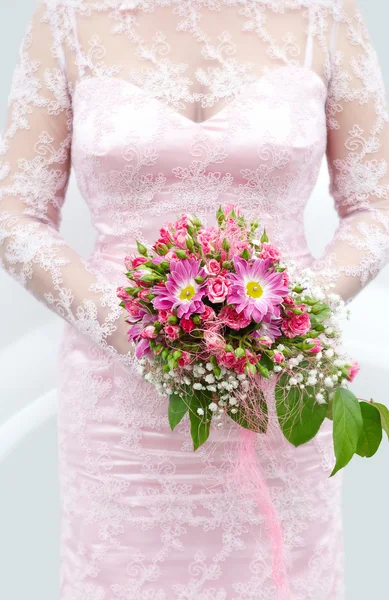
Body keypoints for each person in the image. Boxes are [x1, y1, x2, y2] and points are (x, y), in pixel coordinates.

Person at [1, 0, 388, 598]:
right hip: (120, 398)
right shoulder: (65, 18)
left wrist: (290, 314)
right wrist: (132, 330)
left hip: (281, 382)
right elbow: (16, 216)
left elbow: (377, 207)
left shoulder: (326, 15)